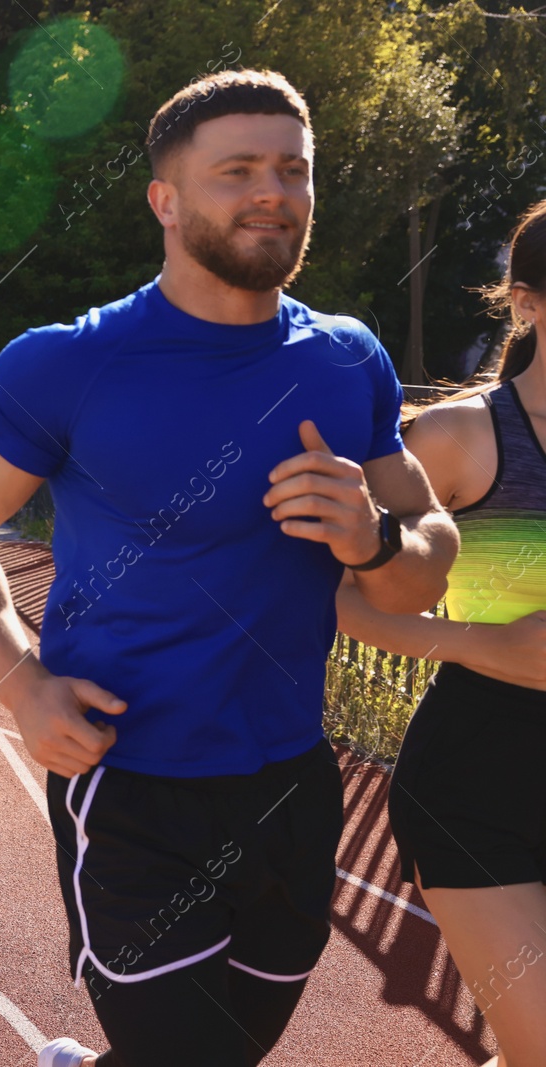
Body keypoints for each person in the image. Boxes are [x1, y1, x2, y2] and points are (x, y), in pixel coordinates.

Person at [0, 70, 458, 1067]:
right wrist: (17, 680)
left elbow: (427, 558)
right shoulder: (67, 362)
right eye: (236, 169)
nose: (272, 191)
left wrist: (375, 536)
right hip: (128, 783)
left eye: (292, 169)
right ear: (164, 199)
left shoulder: (348, 358)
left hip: (293, 783)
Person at [336, 202, 546, 1067]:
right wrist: (485, 646)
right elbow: (345, 602)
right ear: (527, 303)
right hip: (479, 783)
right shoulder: (461, 435)